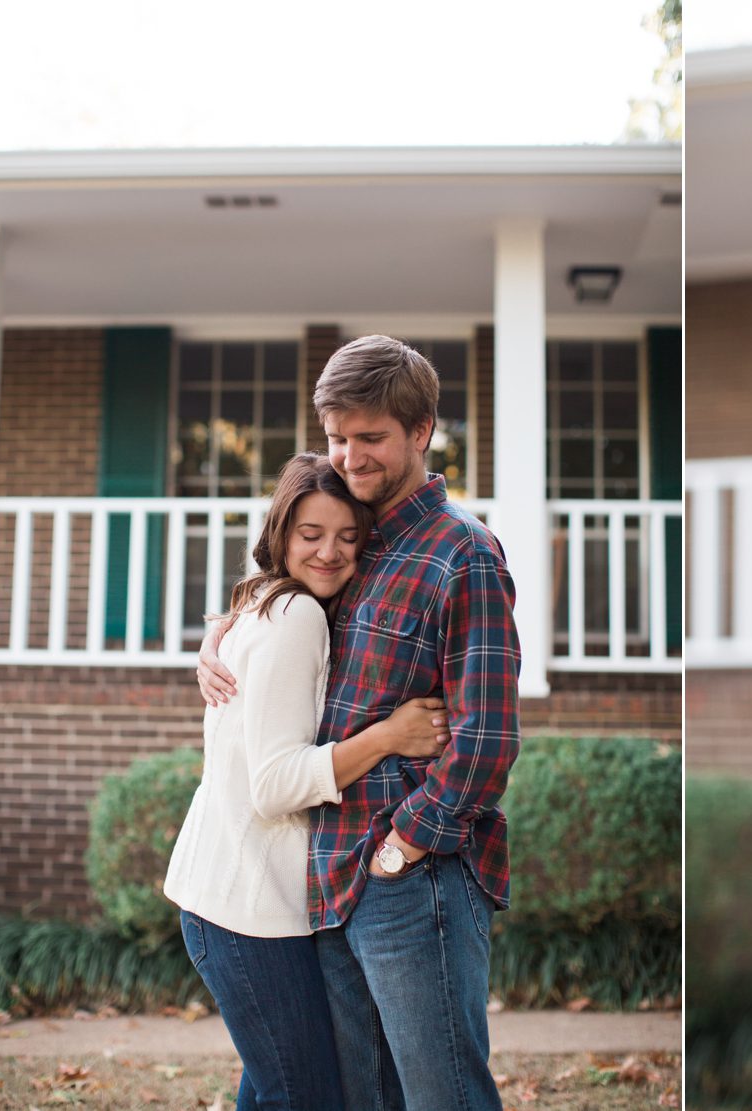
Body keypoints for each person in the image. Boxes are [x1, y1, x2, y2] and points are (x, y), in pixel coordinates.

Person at [200, 335, 519, 1111]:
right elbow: (276, 581)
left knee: (443, 1092)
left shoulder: (463, 554)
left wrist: (405, 845)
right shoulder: (357, 536)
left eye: (370, 437)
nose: (349, 454)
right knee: (361, 1096)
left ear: (421, 430)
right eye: (337, 436)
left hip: (413, 876)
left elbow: (487, 735)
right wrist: (214, 634)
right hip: (333, 871)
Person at [166, 452, 449, 1110]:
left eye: (349, 537)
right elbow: (273, 785)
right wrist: (389, 736)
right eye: (311, 534)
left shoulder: (269, 601)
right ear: (281, 533)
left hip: (234, 899)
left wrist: (210, 643)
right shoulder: (296, 617)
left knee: (277, 1090)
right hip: (246, 912)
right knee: (304, 1095)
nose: (330, 552)